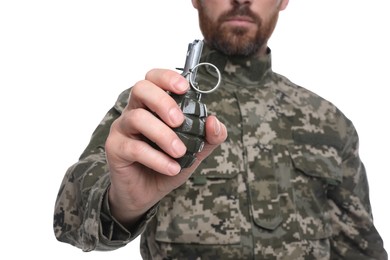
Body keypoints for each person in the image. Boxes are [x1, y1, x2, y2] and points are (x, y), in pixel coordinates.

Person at [53, 0, 388, 259]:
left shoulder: (330, 122)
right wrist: (121, 203)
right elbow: (68, 216)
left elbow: (361, 249)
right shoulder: (154, 107)